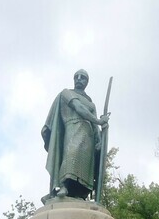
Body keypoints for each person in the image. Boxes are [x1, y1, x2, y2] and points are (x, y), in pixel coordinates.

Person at [41, 69, 110, 201]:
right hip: (73, 129)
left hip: (88, 136)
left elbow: (95, 127)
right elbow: (79, 108)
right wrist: (99, 121)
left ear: (87, 82)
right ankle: (63, 186)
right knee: (71, 155)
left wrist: (100, 139)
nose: (79, 79)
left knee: (85, 165)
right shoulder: (66, 93)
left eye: (83, 77)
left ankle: (78, 192)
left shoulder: (91, 103)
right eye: (76, 77)